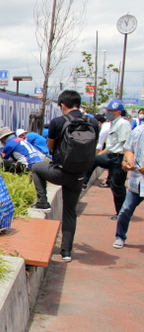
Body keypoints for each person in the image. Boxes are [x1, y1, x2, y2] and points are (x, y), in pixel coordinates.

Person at [31, 90, 99, 262]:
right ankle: (67, 252)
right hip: (79, 175)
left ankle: (43, 201)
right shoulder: (92, 122)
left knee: (37, 167)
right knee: (70, 212)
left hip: (60, 172)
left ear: (62, 105)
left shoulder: (57, 122)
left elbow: (51, 147)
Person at [93, 100, 132, 218]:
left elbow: (126, 144)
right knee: (92, 159)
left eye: (111, 111)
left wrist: (126, 160)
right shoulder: (113, 123)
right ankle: (84, 182)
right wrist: (100, 155)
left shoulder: (123, 124)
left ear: (118, 112)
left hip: (119, 158)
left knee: (117, 186)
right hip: (111, 156)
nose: (108, 113)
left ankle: (122, 212)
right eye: (108, 110)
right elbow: (111, 147)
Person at [113, 124, 144, 248]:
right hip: (137, 181)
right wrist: (128, 161)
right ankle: (120, 236)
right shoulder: (138, 131)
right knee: (125, 210)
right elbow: (128, 148)